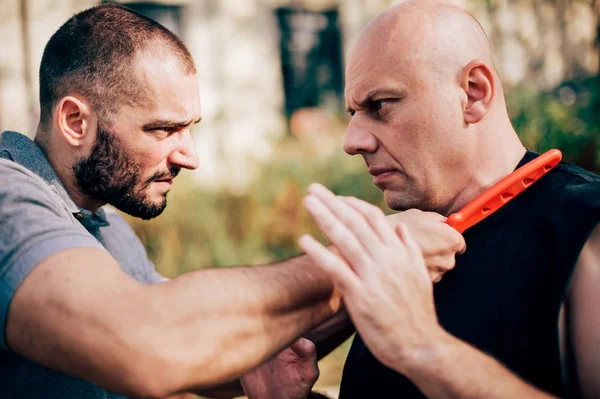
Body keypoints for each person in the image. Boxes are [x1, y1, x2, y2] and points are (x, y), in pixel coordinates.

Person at [0, 3, 466, 399]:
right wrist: (365, 259)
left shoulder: (103, 226)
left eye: (190, 128)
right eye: (163, 129)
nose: (190, 156)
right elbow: (146, 340)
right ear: (75, 122)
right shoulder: (8, 202)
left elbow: (189, 340)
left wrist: (251, 360)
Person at [298, 1, 600, 398]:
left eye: (379, 105)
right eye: (354, 112)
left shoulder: (586, 226)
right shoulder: (406, 248)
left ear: (474, 93)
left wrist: (421, 347)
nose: (353, 142)